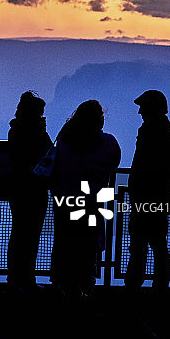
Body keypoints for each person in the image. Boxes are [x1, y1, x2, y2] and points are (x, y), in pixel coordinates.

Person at [50, 100, 120, 299]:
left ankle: (60, 284)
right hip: (92, 203)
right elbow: (114, 163)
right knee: (88, 246)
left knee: (63, 242)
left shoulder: (64, 140)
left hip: (64, 201)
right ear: (99, 120)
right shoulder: (109, 143)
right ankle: (84, 287)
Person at [125, 90, 170, 292]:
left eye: (142, 107)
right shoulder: (165, 129)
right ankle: (160, 283)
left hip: (145, 196)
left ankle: (134, 282)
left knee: (139, 242)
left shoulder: (151, 129)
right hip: (158, 196)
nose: (139, 111)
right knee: (157, 242)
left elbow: (142, 165)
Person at [6, 91, 52, 291]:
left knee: (18, 234)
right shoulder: (37, 132)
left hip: (17, 188)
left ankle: (15, 278)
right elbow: (48, 153)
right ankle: (28, 279)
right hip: (35, 188)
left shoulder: (14, 130)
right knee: (31, 236)